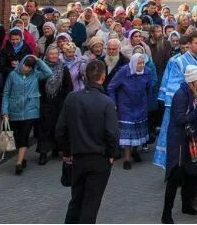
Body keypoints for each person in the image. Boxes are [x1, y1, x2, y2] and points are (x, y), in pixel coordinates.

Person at [56, 59, 119, 224]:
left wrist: (67, 152)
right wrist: (112, 154)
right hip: (99, 158)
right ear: (103, 77)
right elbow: (112, 133)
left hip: (78, 157)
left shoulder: (72, 98)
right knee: (91, 204)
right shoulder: (107, 103)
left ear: (85, 76)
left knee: (76, 199)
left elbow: (60, 130)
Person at [155, 32, 197, 171]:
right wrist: (192, 95)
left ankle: (190, 168)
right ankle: (173, 170)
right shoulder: (178, 61)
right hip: (181, 105)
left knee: (193, 138)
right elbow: (174, 84)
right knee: (177, 140)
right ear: (189, 44)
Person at [162, 64, 197, 223]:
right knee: (175, 177)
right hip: (179, 142)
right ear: (193, 80)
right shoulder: (181, 95)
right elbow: (180, 119)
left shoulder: (193, 92)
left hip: (189, 140)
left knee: (191, 174)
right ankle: (166, 214)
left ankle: (186, 205)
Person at [2, 54, 52, 175]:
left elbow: (49, 72)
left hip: (30, 110)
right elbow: (6, 93)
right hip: (15, 110)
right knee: (17, 136)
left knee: (24, 135)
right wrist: (5, 111)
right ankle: (22, 157)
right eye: (26, 65)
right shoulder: (13, 75)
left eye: (30, 67)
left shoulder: (36, 74)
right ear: (22, 63)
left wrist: (38, 60)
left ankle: (18, 163)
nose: (27, 69)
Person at [108, 52, 154, 169]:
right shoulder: (123, 71)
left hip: (141, 105)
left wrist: (148, 103)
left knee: (138, 130)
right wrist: (113, 103)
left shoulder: (147, 72)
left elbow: (149, 88)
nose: (141, 65)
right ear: (133, 63)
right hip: (126, 106)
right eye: (139, 63)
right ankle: (127, 158)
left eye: (143, 63)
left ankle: (135, 151)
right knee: (127, 133)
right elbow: (111, 87)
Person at [36, 44, 73, 165]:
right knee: (45, 128)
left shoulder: (63, 68)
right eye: (51, 54)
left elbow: (68, 86)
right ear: (47, 55)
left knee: (58, 126)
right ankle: (43, 153)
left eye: (56, 54)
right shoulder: (40, 68)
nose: (53, 56)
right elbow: (37, 85)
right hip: (45, 101)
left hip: (59, 102)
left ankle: (57, 149)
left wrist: (65, 101)